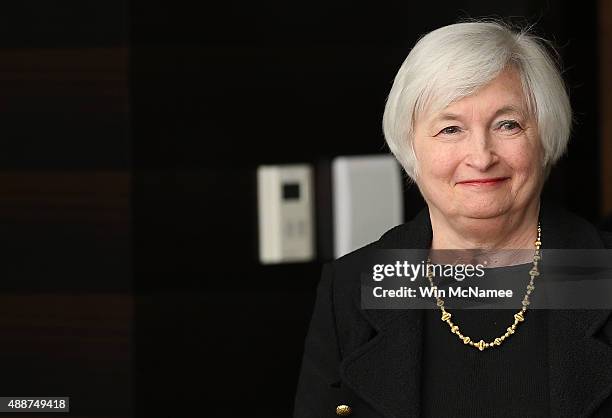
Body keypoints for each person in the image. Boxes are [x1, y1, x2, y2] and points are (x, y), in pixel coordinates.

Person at [294, 20, 612, 417]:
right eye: (450, 129)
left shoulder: (602, 273)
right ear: (410, 148)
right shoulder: (354, 287)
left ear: (544, 136)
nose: (480, 156)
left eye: (507, 125)